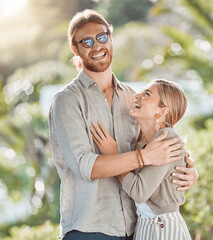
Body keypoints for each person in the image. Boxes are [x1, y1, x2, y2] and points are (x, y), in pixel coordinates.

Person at [48, 9, 198, 240]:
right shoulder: (67, 101)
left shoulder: (131, 98)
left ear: (111, 37)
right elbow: (85, 166)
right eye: (86, 41)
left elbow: (158, 149)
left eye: (102, 37)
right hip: (89, 230)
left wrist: (189, 171)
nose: (97, 46)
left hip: (136, 229)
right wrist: (142, 158)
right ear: (75, 49)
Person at [91, 79, 192, 240]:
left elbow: (139, 191)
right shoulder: (142, 142)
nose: (137, 96)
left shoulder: (167, 137)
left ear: (162, 111)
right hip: (146, 228)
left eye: (147, 94)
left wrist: (113, 155)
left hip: (164, 230)